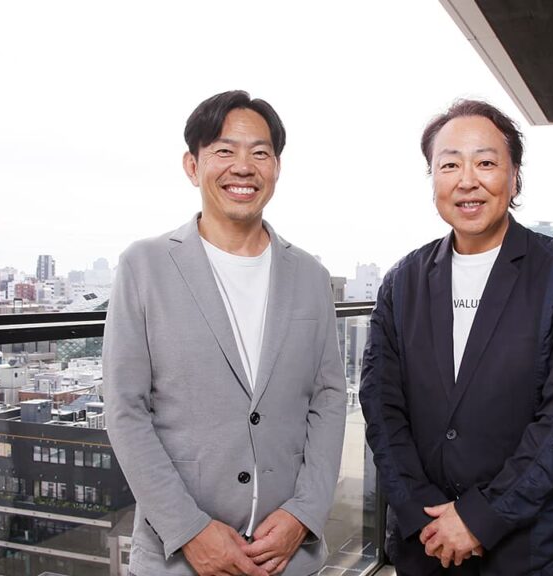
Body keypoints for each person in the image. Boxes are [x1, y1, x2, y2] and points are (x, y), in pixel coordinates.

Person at [360, 99, 553, 575]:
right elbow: (381, 406)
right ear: (433, 179)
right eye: (449, 164)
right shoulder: (402, 281)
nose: (467, 180)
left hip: (527, 547)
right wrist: (422, 514)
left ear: (514, 178)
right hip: (425, 542)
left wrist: (480, 517)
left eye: (486, 163)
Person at [104, 90, 346, 576]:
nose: (243, 167)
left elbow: (329, 399)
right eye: (224, 151)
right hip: (179, 559)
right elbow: (125, 409)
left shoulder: (310, 275)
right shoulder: (144, 266)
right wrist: (189, 530)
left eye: (260, 153)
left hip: (287, 557)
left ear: (277, 167)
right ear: (192, 166)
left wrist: (304, 513)